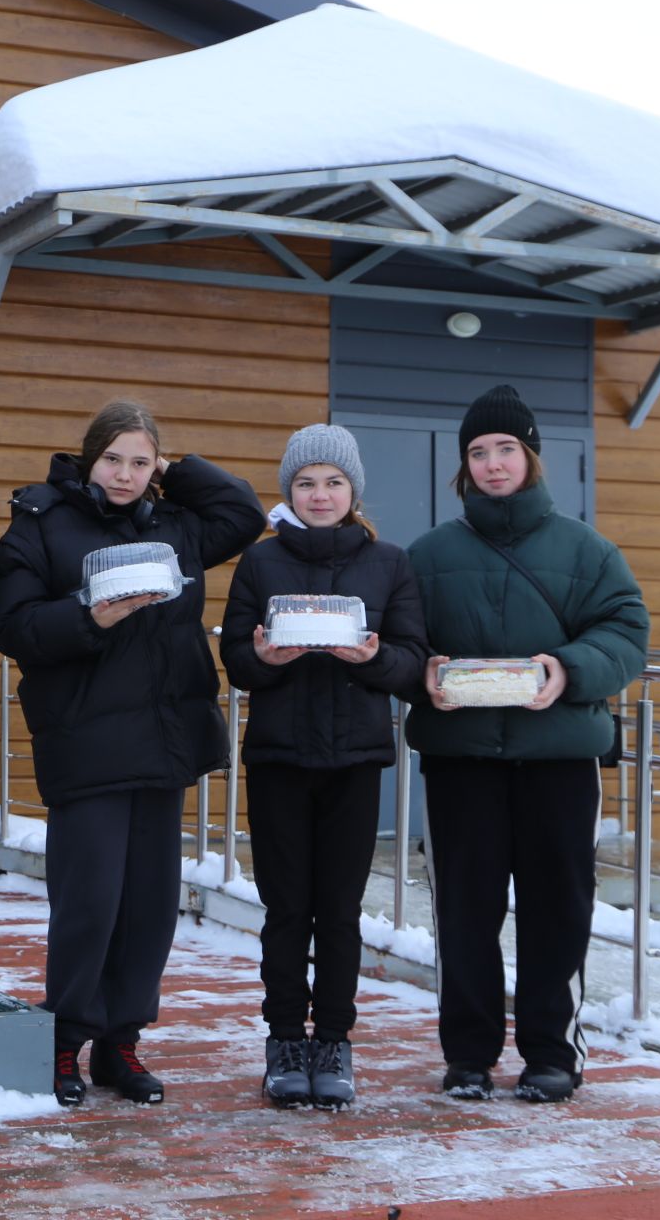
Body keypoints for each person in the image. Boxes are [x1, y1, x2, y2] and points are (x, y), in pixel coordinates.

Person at [0, 401, 263, 1106]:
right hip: (85, 742)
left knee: (148, 906)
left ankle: (121, 1044)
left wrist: (177, 470)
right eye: (114, 459)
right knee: (90, 902)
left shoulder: (175, 522)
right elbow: (10, 625)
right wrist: (88, 616)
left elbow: (244, 513)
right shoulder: (43, 522)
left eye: (142, 462)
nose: (126, 474)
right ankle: (64, 1042)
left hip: (162, 743)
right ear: (88, 458)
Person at [404, 385, 647, 1104]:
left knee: (557, 909)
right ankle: (469, 1055)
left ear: (531, 456)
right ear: (464, 466)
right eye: (478, 452)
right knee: (466, 910)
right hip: (462, 759)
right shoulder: (428, 554)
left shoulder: (588, 550)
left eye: (505, 448)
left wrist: (566, 668)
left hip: (558, 761)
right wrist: (423, 672)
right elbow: (402, 642)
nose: (492, 463)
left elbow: (627, 633)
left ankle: (550, 1052)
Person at [218, 424, 428, 1109]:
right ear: (289, 493)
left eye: (333, 482)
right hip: (279, 757)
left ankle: (333, 1040)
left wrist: (372, 660)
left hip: (355, 761)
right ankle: (284, 1042)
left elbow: (410, 663)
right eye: (306, 483)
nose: (320, 494)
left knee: (338, 912)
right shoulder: (261, 563)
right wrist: (264, 662)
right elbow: (238, 661)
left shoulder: (388, 562)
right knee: (286, 910)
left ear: (353, 491)